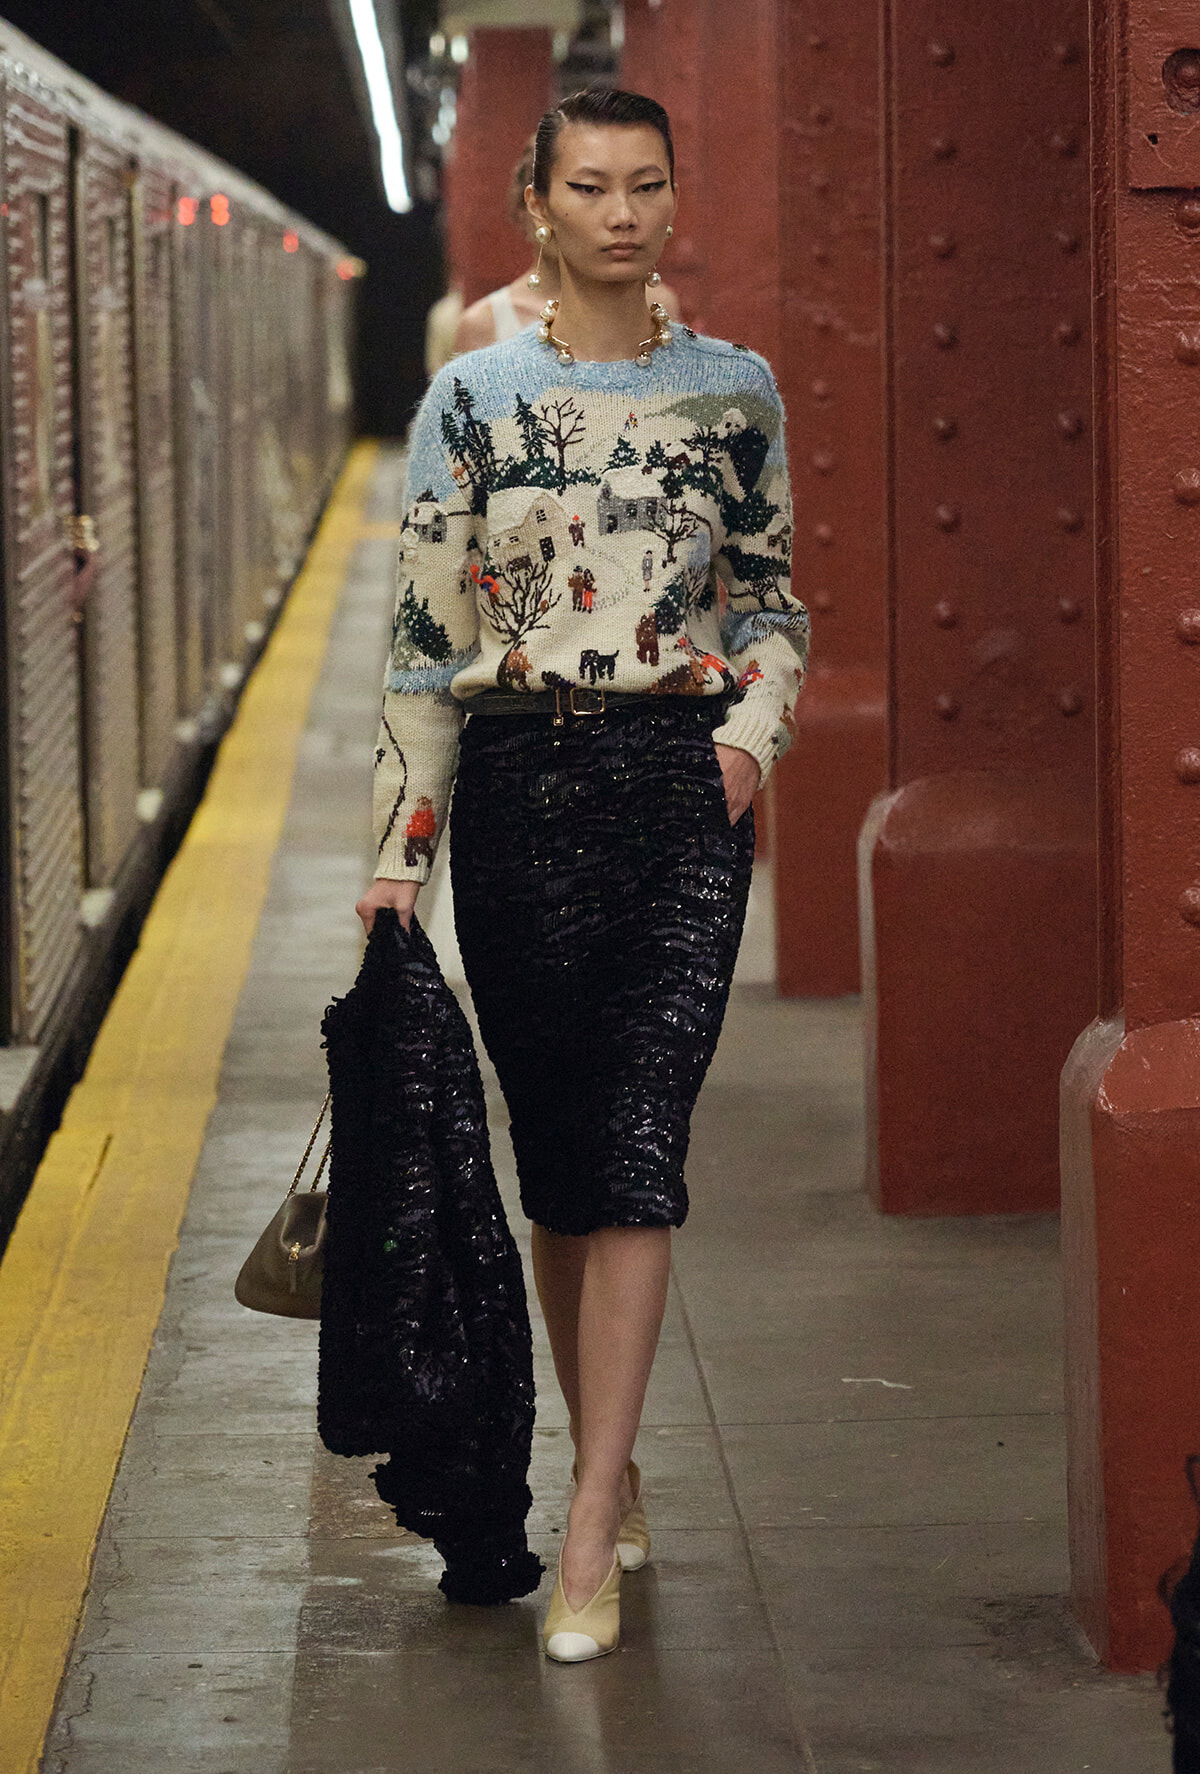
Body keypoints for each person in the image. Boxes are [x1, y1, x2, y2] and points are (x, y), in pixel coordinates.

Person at [357, 85, 809, 1663]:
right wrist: (400, 857)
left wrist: (748, 741)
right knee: (559, 1160)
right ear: (536, 209)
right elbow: (426, 646)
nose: (624, 213)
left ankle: (594, 1512)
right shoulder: (472, 399)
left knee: (632, 1149)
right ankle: (610, 1455)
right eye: (594, 187)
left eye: (648, 186)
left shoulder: (735, 390)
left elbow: (775, 607)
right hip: (522, 794)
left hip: (680, 797)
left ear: (675, 201)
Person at [453, 137, 681, 355]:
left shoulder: (657, 305)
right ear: (530, 208)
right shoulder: (484, 323)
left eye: (590, 192)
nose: (557, 220)